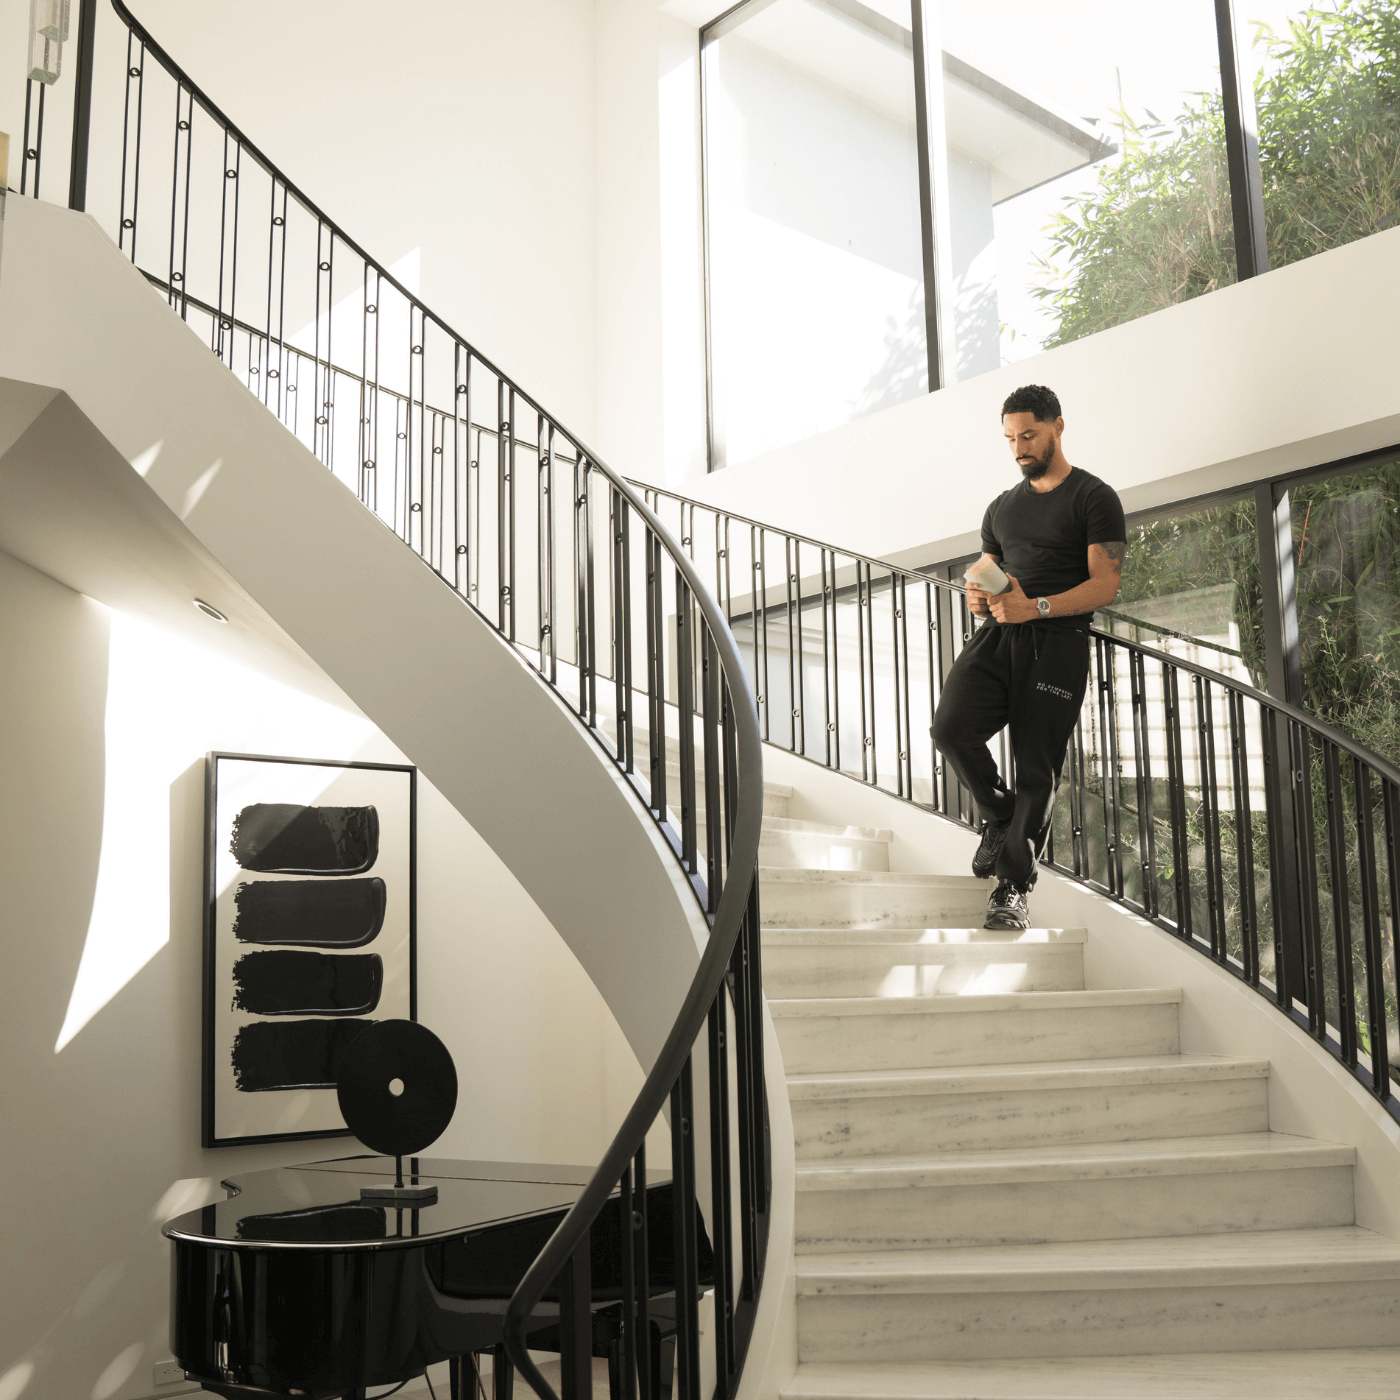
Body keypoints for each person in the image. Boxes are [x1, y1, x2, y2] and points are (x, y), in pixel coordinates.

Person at [932, 385, 1126, 930]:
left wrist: (1034, 606)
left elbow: (1105, 585)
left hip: (1057, 643)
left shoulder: (1094, 497)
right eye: (1011, 438)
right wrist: (977, 597)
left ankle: (1013, 888)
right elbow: (985, 573)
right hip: (999, 636)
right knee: (951, 727)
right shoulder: (1000, 508)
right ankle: (999, 816)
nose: (1019, 447)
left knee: (1036, 767)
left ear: (1057, 427)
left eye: (1029, 435)